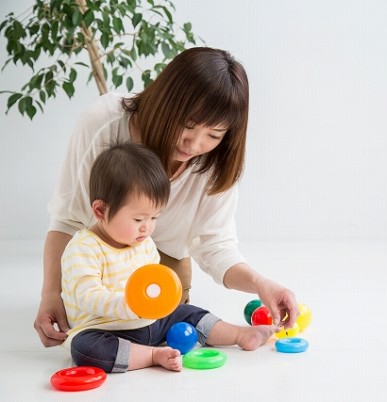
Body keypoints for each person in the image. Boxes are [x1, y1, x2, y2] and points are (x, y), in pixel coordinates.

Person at [35, 47, 299, 347]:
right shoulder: (106, 122)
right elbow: (67, 219)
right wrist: (50, 295)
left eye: (214, 135)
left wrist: (261, 284)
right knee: (98, 329)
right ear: (165, 100)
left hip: (159, 265)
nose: (195, 144)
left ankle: (232, 335)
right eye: (187, 124)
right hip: (101, 258)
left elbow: (216, 246)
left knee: (170, 316)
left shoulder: (216, 163)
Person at [62, 143, 275, 373]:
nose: (147, 228)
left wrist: (161, 301)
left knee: (187, 312)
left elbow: (154, 280)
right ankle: (151, 355)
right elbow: (87, 296)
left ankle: (239, 334)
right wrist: (131, 306)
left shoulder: (142, 243)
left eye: (154, 217)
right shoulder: (83, 248)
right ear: (100, 211)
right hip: (107, 328)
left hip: (151, 321)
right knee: (84, 348)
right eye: (138, 219)